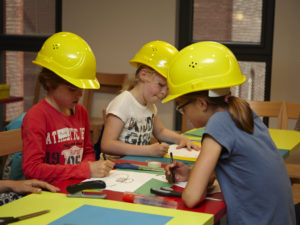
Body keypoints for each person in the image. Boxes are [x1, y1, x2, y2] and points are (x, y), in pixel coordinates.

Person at [163, 41, 296, 225]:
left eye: (181, 107)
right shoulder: (244, 114)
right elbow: (238, 167)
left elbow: (192, 197)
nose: (183, 114)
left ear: (202, 104)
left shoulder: (218, 124)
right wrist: (190, 173)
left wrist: (194, 182)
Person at [22, 32, 114, 184]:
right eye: (72, 89)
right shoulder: (36, 116)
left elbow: (88, 152)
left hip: (74, 183)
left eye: (82, 88)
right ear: (50, 83)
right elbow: (32, 170)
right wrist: (85, 170)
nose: (80, 94)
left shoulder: (81, 112)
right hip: (49, 191)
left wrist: (87, 167)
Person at [101, 41, 200, 158]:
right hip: (115, 165)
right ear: (144, 75)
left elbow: (160, 132)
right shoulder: (123, 102)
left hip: (136, 161)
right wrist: (147, 150)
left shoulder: (149, 105)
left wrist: (181, 139)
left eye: (168, 89)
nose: (164, 92)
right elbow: (107, 144)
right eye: (161, 85)